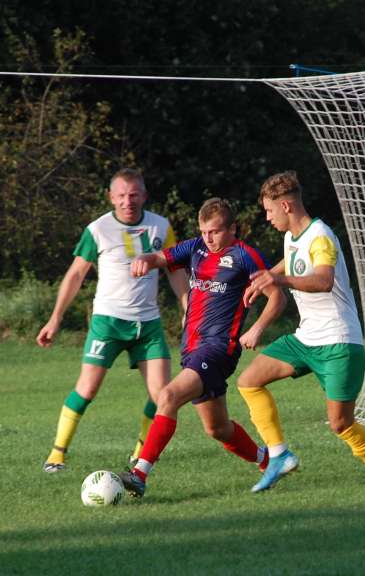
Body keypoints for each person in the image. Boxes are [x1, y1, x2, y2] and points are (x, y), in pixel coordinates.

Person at [236, 171, 365, 492]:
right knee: (248, 381)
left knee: (340, 423)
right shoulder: (293, 236)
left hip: (339, 342)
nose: (267, 218)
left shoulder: (321, 236)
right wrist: (267, 275)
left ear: (285, 206)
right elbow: (292, 258)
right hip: (306, 338)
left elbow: (324, 280)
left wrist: (278, 281)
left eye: (269, 211)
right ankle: (279, 454)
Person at [119, 198, 284, 497]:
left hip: (219, 348)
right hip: (192, 350)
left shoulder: (245, 256)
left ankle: (139, 473)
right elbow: (161, 258)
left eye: (216, 231)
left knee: (168, 395)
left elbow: (277, 296)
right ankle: (270, 461)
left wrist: (257, 329)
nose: (209, 238)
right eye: (204, 231)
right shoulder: (195, 248)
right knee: (217, 428)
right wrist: (145, 258)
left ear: (233, 228)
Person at [36, 168, 189, 473]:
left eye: (133, 195)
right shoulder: (99, 229)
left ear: (143, 195)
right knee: (87, 389)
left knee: (161, 394)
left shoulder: (161, 227)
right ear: (111, 197)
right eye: (121, 195)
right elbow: (76, 274)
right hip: (108, 322)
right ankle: (57, 454)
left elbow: (174, 270)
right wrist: (55, 319)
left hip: (148, 325)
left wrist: (188, 310)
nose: (127, 201)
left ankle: (140, 453)